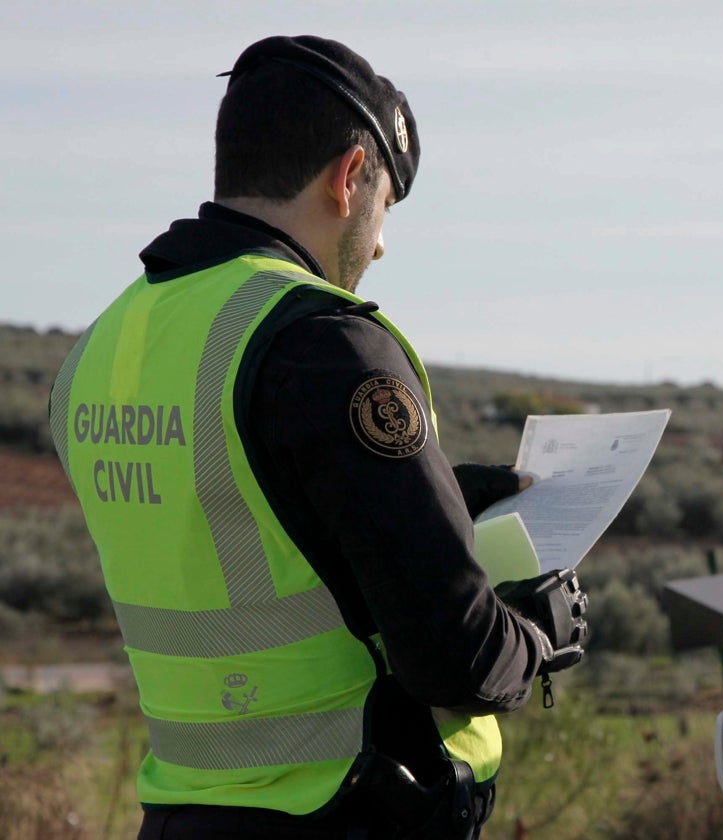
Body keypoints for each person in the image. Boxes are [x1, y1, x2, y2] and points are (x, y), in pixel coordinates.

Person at [48, 35, 587, 839]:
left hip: (181, 812)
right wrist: (540, 637)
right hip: (347, 807)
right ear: (349, 177)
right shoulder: (326, 343)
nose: (378, 245)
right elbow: (455, 658)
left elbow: (239, 513)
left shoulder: (101, 348)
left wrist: (428, 493)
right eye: (385, 209)